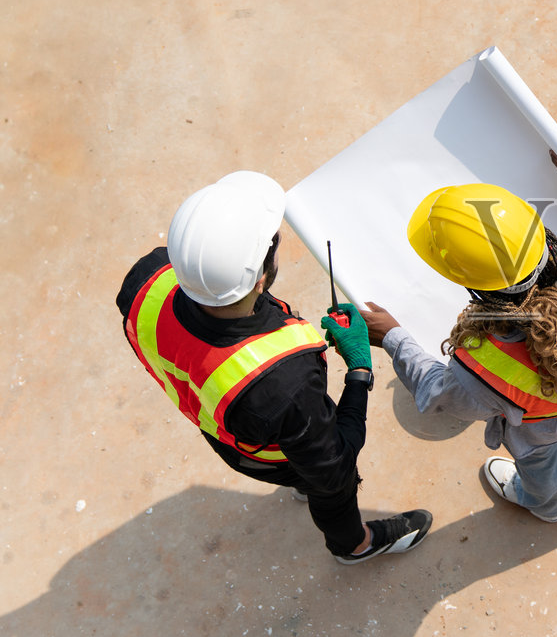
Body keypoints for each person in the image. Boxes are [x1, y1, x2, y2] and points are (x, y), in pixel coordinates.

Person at [116, 170, 432, 564]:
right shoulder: (284, 381)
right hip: (273, 454)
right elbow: (334, 465)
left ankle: (302, 478)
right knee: (328, 486)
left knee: (306, 453)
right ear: (261, 276)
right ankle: (354, 545)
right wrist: (359, 372)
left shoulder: (146, 280)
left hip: (227, 434)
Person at [359, 134, 557, 522]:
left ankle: (548, 506)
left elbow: (438, 391)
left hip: (539, 434)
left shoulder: (480, 362)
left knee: (540, 470)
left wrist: (394, 339)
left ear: (468, 281)